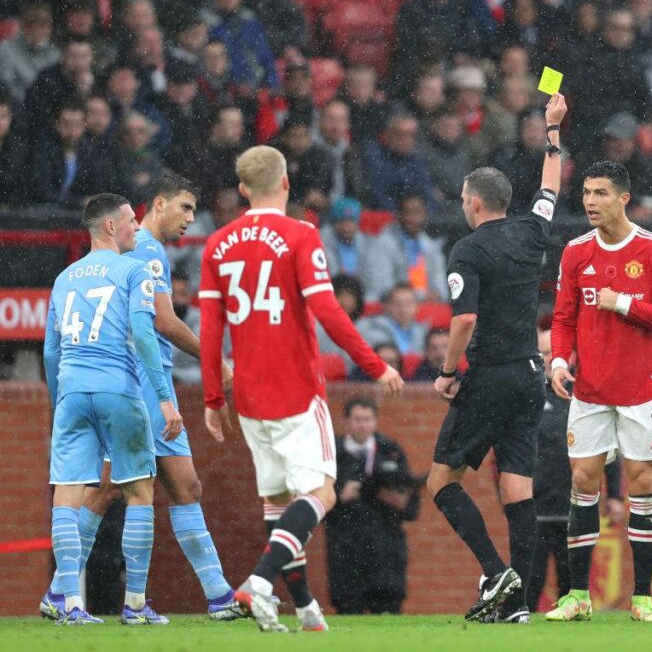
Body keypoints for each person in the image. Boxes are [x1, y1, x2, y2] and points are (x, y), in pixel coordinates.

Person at [199, 145, 404, 632]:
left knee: (279, 505)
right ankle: (259, 583)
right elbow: (329, 312)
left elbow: (211, 331)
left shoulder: (217, 244)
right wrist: (375, 365)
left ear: (243, 189)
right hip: (294, 390)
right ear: (287, 182)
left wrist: (213, 398)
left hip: (248, 396)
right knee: (321, 495)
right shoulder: (300, 234)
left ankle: (306, 609)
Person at [39, 175, 239, 622]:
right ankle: (126, 601)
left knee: (156, 487)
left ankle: (217, 595)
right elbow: (160, 325)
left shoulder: (72, 273)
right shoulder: (142, 253)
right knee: (128, 489)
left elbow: (51, 347)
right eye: (185, 208)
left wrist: (58, 398)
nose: (190, 219)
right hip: (135, 385)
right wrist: (213, 362)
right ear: (159, 204)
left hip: (82, 386)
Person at [426, 94, 566, 624]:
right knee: (517, 488)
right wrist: (553, 130)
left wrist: (446, 373)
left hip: (490, 375)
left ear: (475, 202)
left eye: (465, 198)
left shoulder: (469, 249)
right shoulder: (533, 231)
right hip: (532, 375)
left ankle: (494, 571)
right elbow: (550, 184)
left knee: (441, 483)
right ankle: (520, 605)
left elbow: (463, 322)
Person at [546, 160, 652, 625]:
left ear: (623, 198)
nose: (590, 201)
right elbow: (563, 317)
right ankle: (575, 596)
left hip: (641, 389)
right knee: (583, 480)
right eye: (587, 192)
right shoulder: (575, 252)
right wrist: (560, 360)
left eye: (601, 193)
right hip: (590, 388)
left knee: (642, 484)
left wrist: (624, 302)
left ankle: (642, 599)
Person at [42, 193, 183, 625]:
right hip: (118, 390)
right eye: (130, 222)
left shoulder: (64, 278)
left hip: (71, 390)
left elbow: (50, 351)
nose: (137, 228)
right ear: (109, 227)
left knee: (67, 497)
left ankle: (68, 604)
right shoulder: (134, 270)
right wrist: (163, 397)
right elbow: (144, 336)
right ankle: (135, 605)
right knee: (139, 492)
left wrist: (58, 403)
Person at [530, 328, 624, 612]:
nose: (547, 359)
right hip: (535, 508)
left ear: (567, 357)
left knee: (571, 582)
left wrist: (616, 495)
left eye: (552, 353)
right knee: (530, 582)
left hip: (576, 505)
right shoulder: (529, 394)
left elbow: (607, 448)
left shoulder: (586, 396)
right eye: (542, 353)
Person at [326, 398, 421, 614]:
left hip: (385, 547)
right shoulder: (332, 454)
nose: (362, 425)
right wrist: (340, 496)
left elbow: (411, 503)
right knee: (348, 613)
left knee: (389, 612)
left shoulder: (391, 451)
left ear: (375, 421)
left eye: (367, 419)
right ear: (347, 421)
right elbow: (316, 504)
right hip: (345, 547)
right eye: (357, 419)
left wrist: (396, 500)